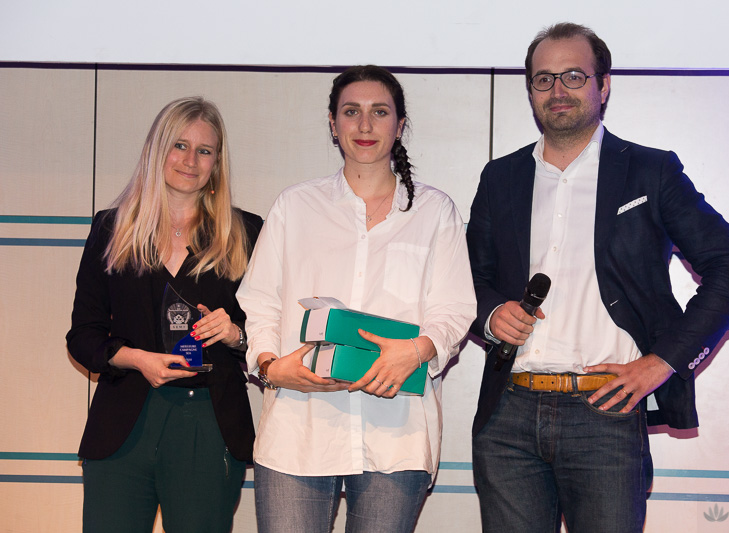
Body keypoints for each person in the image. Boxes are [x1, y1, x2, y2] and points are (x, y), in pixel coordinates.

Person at [467, 22, 729, 532]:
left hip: (605, 415)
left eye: (574, 76)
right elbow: (468, 276)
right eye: (543, 79)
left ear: (603, 86)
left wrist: (663, 361)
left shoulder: (650, 171)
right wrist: (490, 314)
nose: (557, 90)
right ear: (530, 91)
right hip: (507, 416)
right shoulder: (500, 177)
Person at [236, 65, 476, 533]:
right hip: (298, 429)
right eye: (352, 112)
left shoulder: (434, 212)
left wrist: (418, 350)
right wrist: (269, 365)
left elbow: (453, 310)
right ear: (333, 123)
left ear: (400, 125)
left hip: (397, 430)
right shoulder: (295, 206)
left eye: (379, 112)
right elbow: (260, 300)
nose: (365, 125)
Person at [66, 97, 262, 533]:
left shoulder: (247, 233)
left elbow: (270, 334)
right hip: (122, 423)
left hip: (210, 425)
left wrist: (234, 334)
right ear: (157, 151)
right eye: (179, 145)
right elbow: (83, 336)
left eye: (204, 150)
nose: (190, 160)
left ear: (216, 163)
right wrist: (137, 358)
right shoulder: (110, 229)